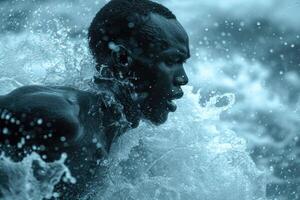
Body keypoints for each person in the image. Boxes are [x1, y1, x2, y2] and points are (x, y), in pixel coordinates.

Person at [0, 0, 190, 198]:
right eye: (171, 61)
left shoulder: (129, 151)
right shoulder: (62, 118)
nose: (183, 79)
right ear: (123, 59)